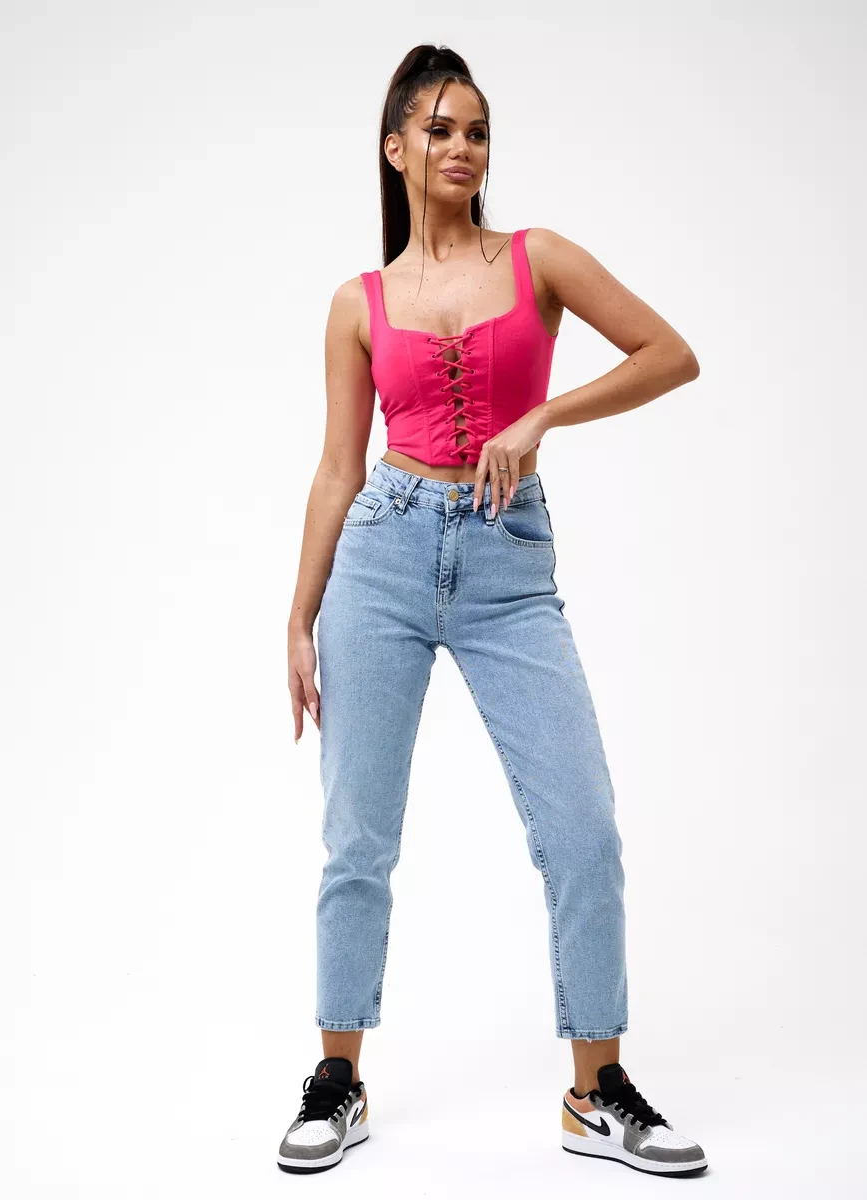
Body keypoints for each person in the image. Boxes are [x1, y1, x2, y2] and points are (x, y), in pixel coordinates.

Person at [278, 43, 706, 1177]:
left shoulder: (538, 258)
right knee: (358, 837)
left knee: (583, 829)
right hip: (380, 554)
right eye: (439, 129)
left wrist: (544, 416)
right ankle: (337, 1078)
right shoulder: (359, 303)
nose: (462, 147)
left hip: (508, 562)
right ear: (395, 149)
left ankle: (596, 1092)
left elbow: (671, 354)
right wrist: (299, 617)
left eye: (476, 131)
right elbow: (338, 467)